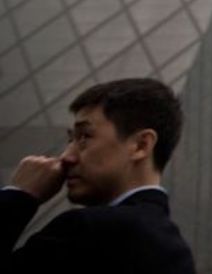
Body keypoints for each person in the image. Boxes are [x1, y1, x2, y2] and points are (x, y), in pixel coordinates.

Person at [0, 77, 196, 273]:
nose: (67, 156)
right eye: (71, 139)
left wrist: (18, 196)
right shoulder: (176, 250)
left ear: (141, 145)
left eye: (85, 136)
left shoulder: (85, 231)